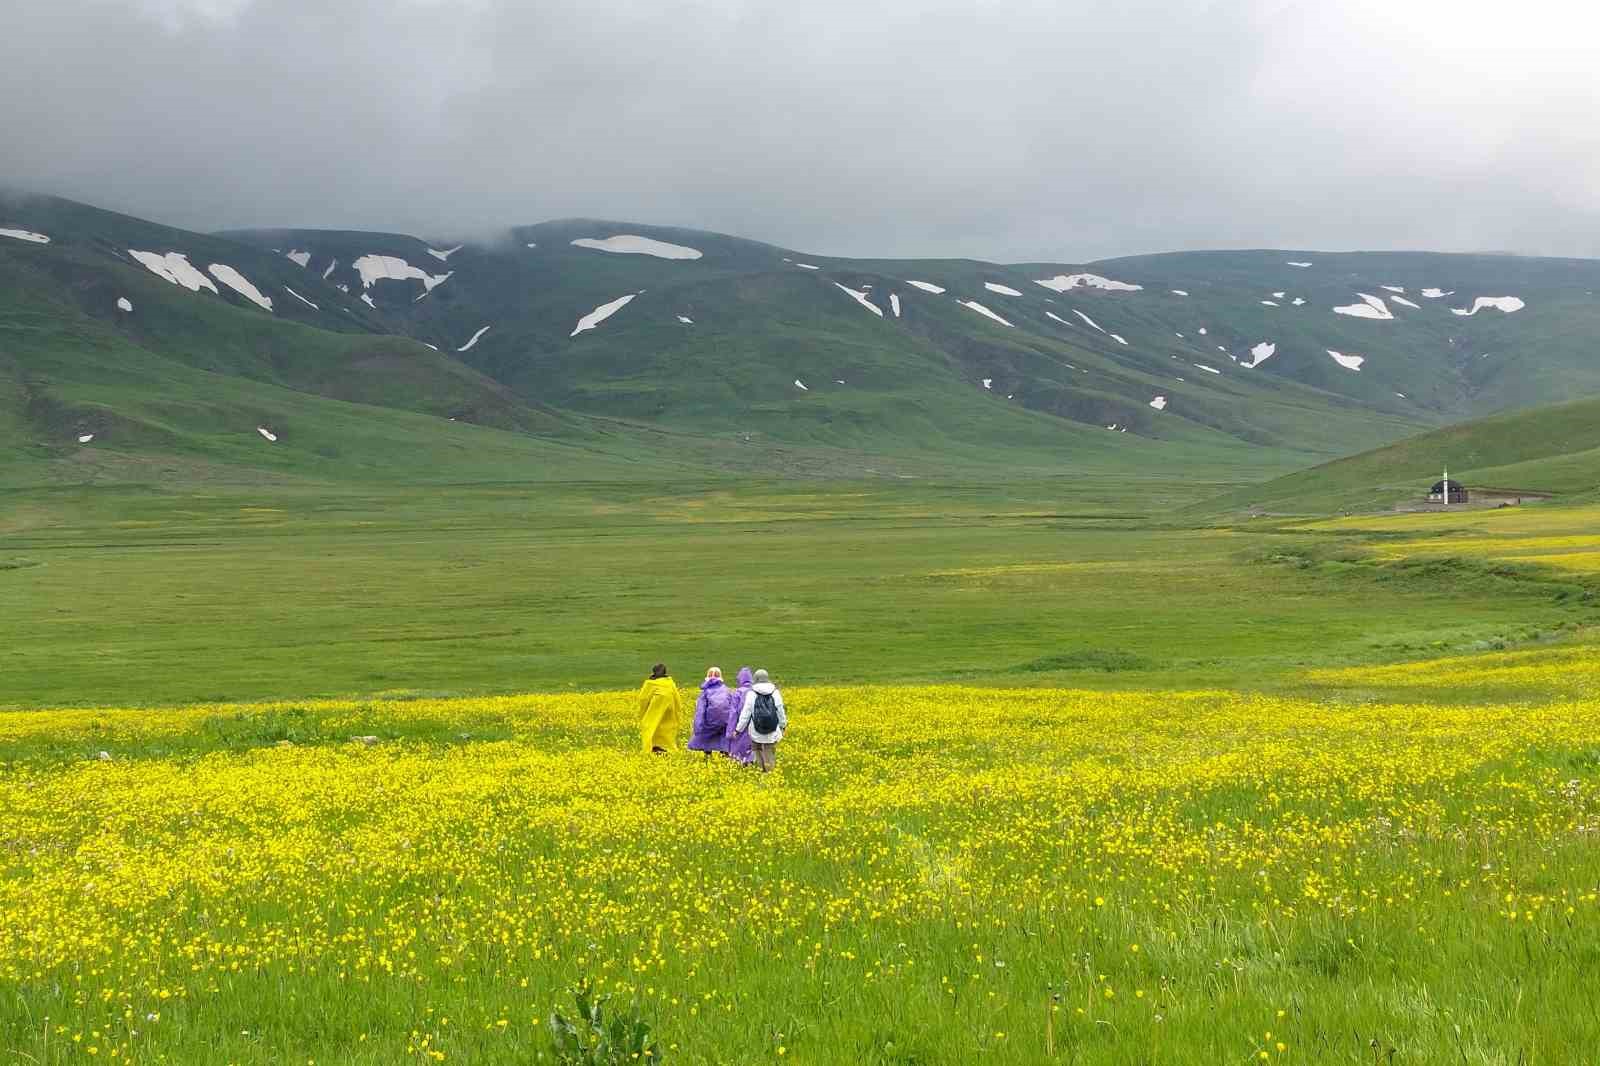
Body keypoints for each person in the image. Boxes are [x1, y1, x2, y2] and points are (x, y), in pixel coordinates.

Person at [734, 668, 787, 772]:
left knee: (756, 749)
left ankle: (762, 770)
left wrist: (738, 729)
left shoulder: (751, 693)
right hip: (772, 727)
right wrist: (783, 725)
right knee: (769, 750)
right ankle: (770, 773)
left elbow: (746, 713)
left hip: (755, 728)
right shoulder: (775, 692)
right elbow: (780, 710)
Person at [688, 667, 738, 757]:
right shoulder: (727, 690)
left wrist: (697, 726)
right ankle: (725, 755)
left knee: (706, 736)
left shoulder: (705, 692)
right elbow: (733, 707)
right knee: (723, 737)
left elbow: (701, 710)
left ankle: (708, 755)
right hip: (725, 722)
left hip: (710, 721)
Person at [637, 663, 683, 753]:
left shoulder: (650, 683)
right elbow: (676, 696)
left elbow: (643, 698)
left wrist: (643, 711)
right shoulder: (669, 682)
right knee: (667, 726)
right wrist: (677, 709)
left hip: (656, 706)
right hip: (670, 706)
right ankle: (665, 747)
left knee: (649, 725)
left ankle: (650, 747)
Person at [727, 667, 755, 765]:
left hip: (740, 723)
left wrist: (730, 731)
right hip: (755, 724)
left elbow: (733, 713)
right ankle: (751, 762)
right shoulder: (755, 691)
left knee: (739, 745)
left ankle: (742, 764)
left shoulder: (738, 692)